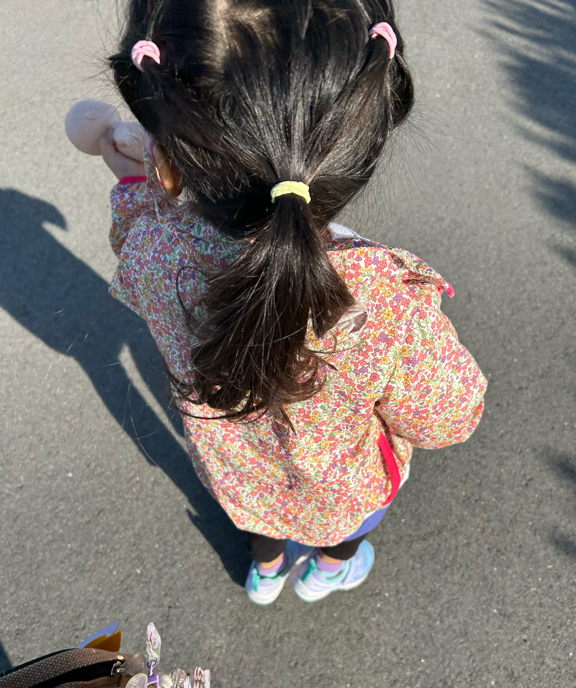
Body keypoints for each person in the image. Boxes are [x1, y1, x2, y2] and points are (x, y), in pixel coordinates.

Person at [100, 0, 487, 605]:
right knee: (344, 531)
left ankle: (267, 570)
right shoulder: (384, 303)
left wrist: (141, 179)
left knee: (260, 522)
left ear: (169, 157)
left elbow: (133, 220)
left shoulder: (152, 248)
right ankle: (330, 570)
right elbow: (450, 416)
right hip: (344, 490)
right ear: (361, 139)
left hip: (240, 480)